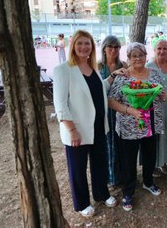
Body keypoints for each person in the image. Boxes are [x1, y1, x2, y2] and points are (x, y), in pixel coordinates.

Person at [53, 30, 123, 217]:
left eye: (88, 44)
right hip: (77, 129)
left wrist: (113, 76)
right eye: (80, 43)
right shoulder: (63, 70)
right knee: (78, 168)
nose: (84, 47)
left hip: (98, 127)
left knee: (99, 164)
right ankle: (82, 202)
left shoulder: (93, 69)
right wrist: (72, 130)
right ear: (73, 46)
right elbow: (60, 104)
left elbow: (100, 90)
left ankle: (101, 194)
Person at [108, 42, 165, 211]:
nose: (138, 58)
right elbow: (111, 101)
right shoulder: (123, 77)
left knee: (149, 156)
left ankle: (148, 182)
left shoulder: (154, 73)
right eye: (134, 56)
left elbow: (162, 94)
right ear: (129, 59)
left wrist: (163, 95)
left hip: (150, 123)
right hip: (128, 126)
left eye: (141, 55)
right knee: (128, 161)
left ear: (146, 57)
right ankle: (128, 192)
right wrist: (129, 110)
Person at [146, 39, 167, 175]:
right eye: (159, 48)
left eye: (165, 48)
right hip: (154, 109)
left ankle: (164, 161)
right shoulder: (149, 66)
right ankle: (153, 164)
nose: (162, 51)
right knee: (156, 136)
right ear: (154, 50)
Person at [98, 35, 128, 187]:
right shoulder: (97, 66)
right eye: (110, 47)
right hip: (104, 110)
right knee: (107, 142)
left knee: (120, 142)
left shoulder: (123, 64)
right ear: (104, 48)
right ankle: (110, 177)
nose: (114, 50)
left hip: (120, 109)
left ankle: (122, 175)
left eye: (117, 47)